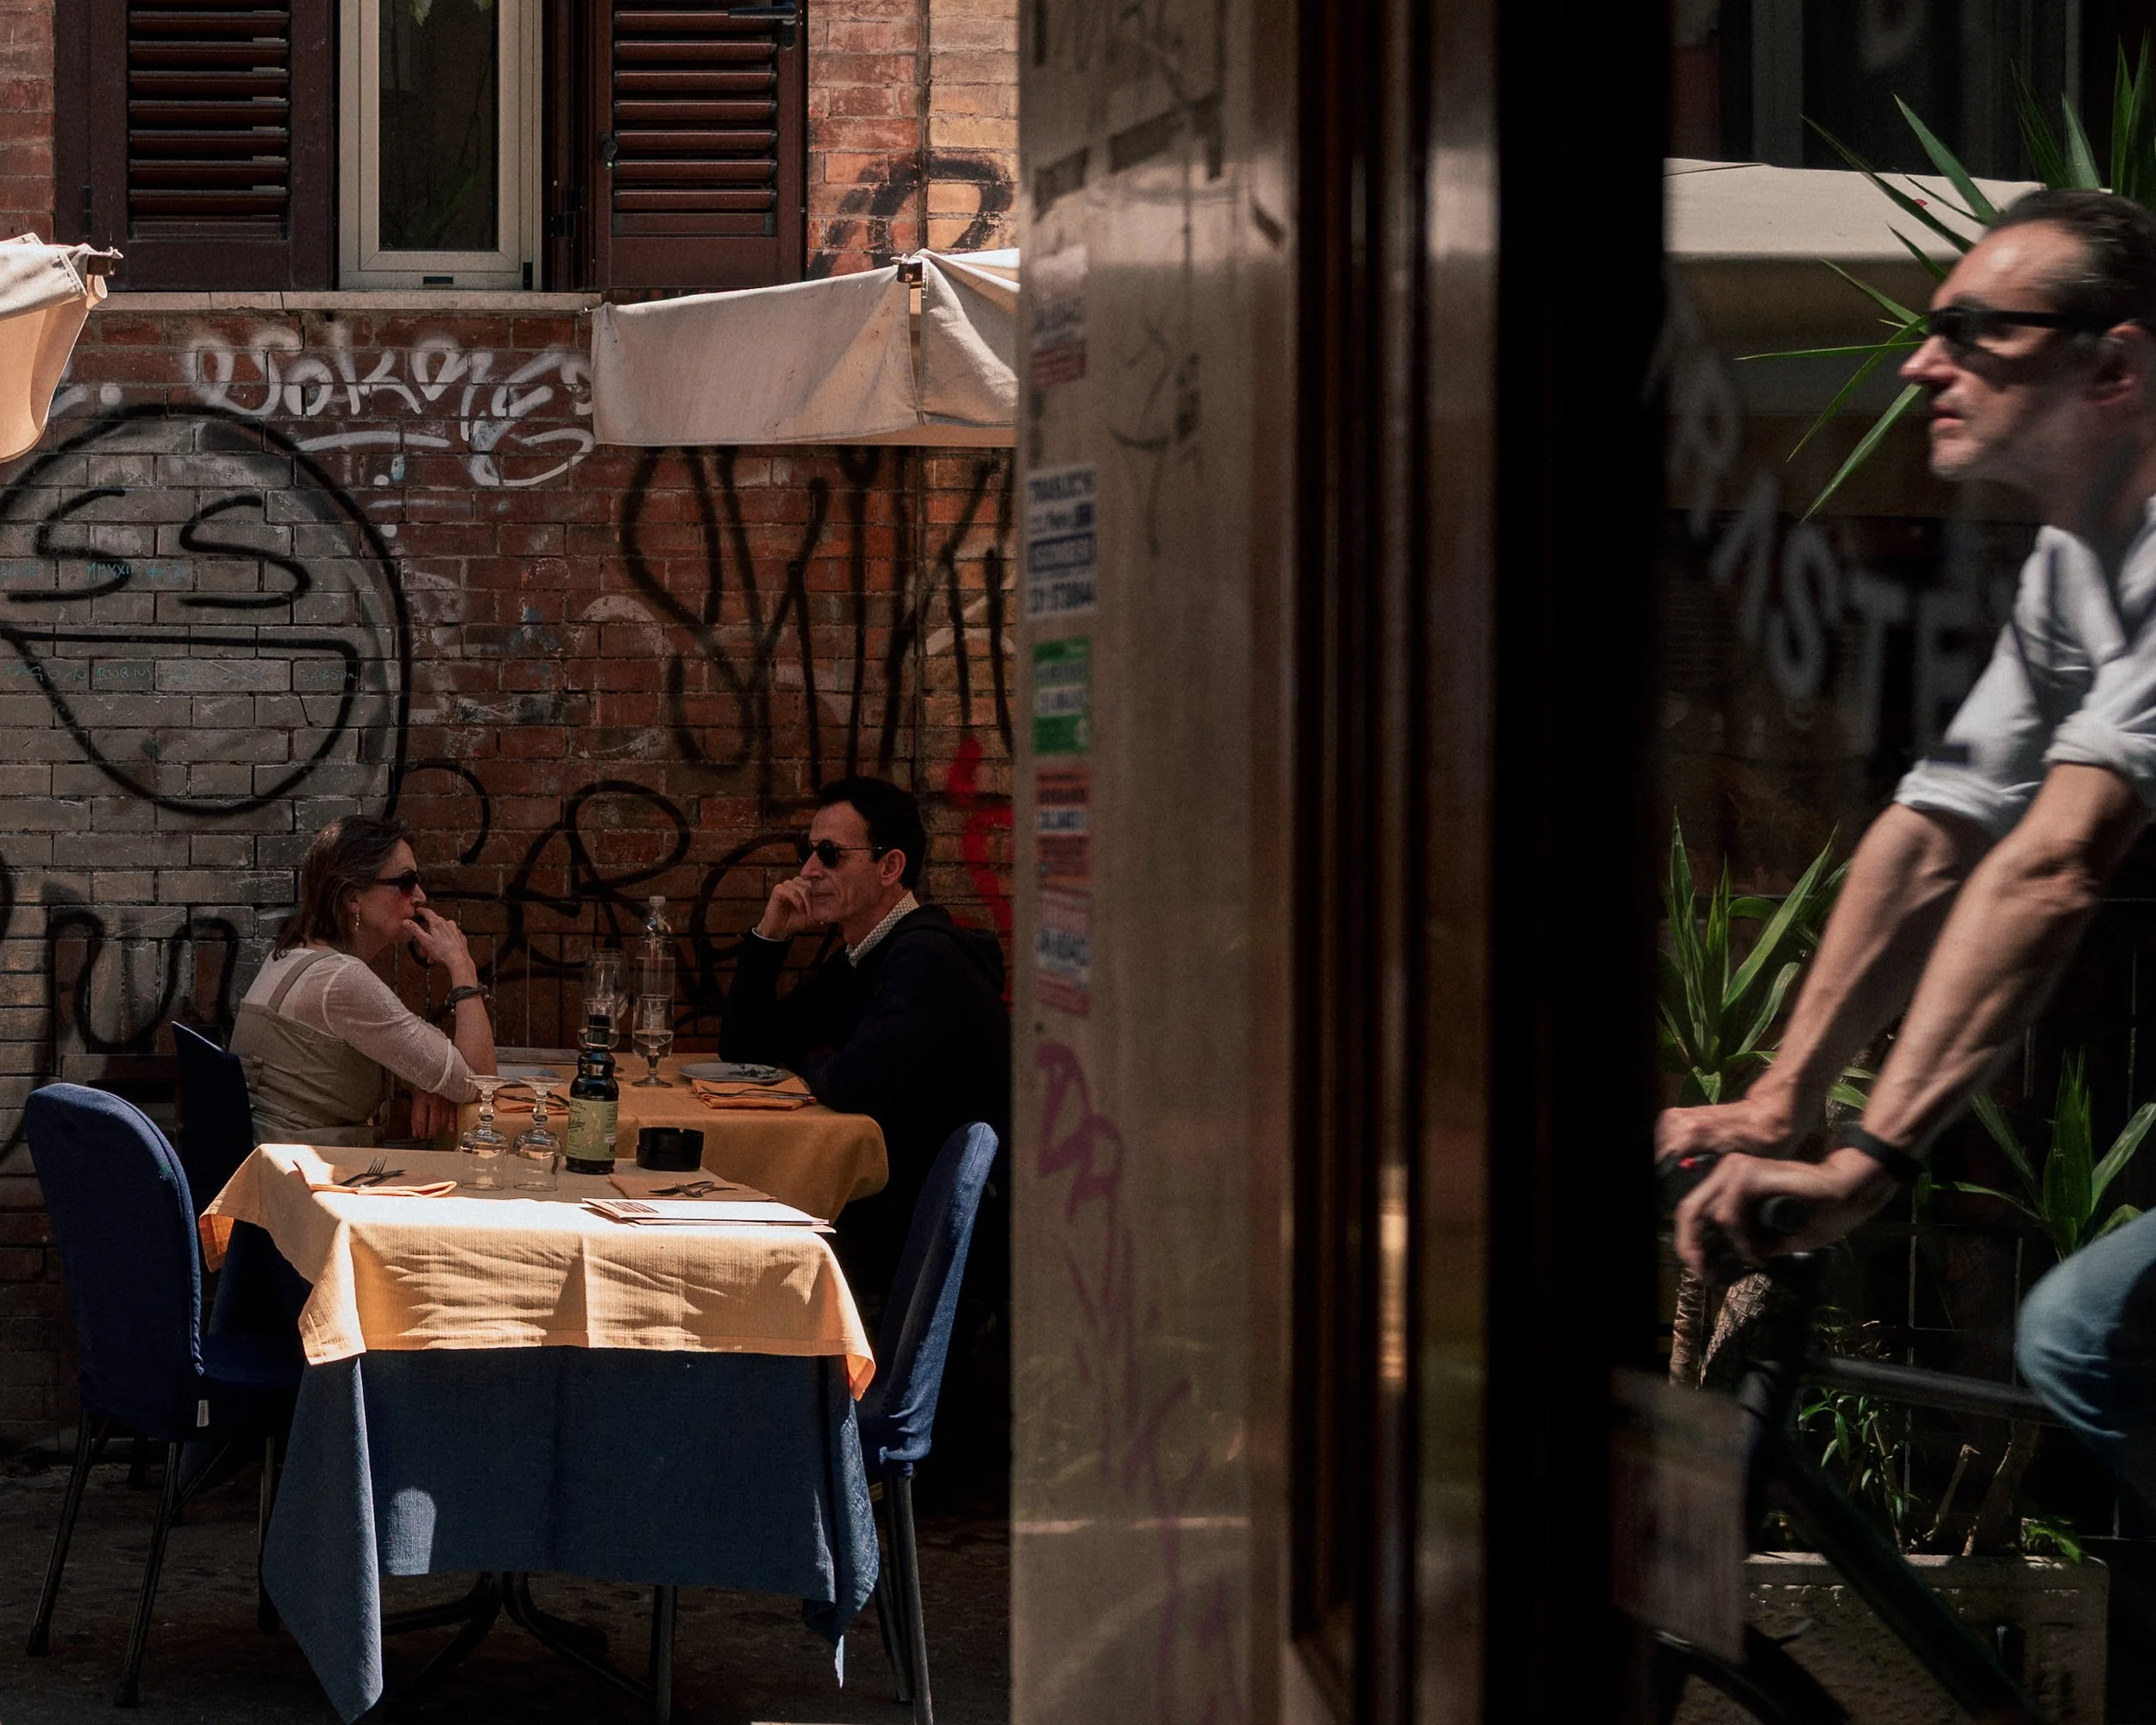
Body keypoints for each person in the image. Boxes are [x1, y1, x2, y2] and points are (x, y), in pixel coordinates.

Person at [1660, 188, 2156, 1499]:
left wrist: (1870, 1164)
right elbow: (1938, 828)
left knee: (2082, 1336)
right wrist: (1785, 1094)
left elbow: (2054, 866)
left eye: (1975, 329)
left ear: (2115, 365)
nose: (1921, 361)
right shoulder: (2074, 565)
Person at [722, 775, 1011, 1287]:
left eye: (830, 854)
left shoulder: (924, 957)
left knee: (756, 1252)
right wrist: (769, 937)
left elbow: (854, 1082)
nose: (810, 871)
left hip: (946, 1221)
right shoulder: (863, 956)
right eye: (808, 851)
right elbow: (746, 1052)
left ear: (890, 867)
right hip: (897, 1195)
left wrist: (811, 1066)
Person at [230, 815, 494, 1146]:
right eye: (405, 883)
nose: (420, 897)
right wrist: (461, 965)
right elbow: (480, 1083)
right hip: (298, 1176)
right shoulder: (340, 980)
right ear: (353, 898)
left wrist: (425, 1081)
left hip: (271, 1159)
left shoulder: (292, 955)